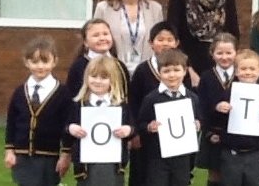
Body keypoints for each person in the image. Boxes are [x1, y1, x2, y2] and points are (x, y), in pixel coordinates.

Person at [4, 36, 73, 186]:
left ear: (54, 61)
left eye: (45, 61)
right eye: (35, 62)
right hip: (23, 155)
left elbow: (67, 126)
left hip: (49, 156)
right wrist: (9, 150)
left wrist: (66, 154)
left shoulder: (63, 93)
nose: (40, 66)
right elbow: (11, 123)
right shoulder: (19, 92)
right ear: (26, 62)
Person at [126, 21, 183, 186]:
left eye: (170, 39)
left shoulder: (181, 71)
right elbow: (133, 103)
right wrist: (135, 132)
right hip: (146, 135)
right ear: (151, 43)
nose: (165, 43)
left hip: (174, 136)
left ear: (177, 43)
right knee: (142, 175)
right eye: (160, 39)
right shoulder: (143, 70)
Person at [136, 49, 202, 186]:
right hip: (158, 157)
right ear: (160, 73)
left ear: (184, 71)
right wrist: (149, 127)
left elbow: (200, 119)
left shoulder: (192, 98)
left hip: (182, 157)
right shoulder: (151, 98)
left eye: (176, 70)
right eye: (166, 71)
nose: (172, 75)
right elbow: (141, 124)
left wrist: (198, 124)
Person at [66, 57, 135, 186]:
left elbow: (132, 127)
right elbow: (66, 127)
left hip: (112, 164)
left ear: (112, 80)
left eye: (104, 77)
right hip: (87, 166)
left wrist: (128, 130)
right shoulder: (79, 104)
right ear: (87, 78)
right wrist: (71, 128)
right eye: (94, 76)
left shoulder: (120, 105)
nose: (98, 81)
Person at [94, 0, 164, 74]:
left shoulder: (155, 9)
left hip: (146, 74)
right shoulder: (103, 8)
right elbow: (95, 42)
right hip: (113, 73)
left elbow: (160, 44)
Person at [213, 49, 259, 186]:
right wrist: (219, 107)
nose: (248, 72)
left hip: (255, 151)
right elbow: (217, 118)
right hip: (231, 150)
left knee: (254, 182)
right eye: (243, 68)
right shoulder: (229, 92)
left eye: (252, 69)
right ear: (236, 71)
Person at [196, 32, 238, 186]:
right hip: (214, 131)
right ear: (212, 54)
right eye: (219, 53)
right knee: (215, 173)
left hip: (236, 133)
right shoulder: (207, 77)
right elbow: (201, 106)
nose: (224, 57)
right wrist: (208, 132)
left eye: (229, 52)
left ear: (236, 53)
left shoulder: (242, 76)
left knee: (234, 173)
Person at [67, 18, 130, 100]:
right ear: (85, 42)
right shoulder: (78, 67)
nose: (102, 38)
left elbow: (126, 94)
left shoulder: (119, 66)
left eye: (105, 34)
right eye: (96, 35)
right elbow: (72, 95)